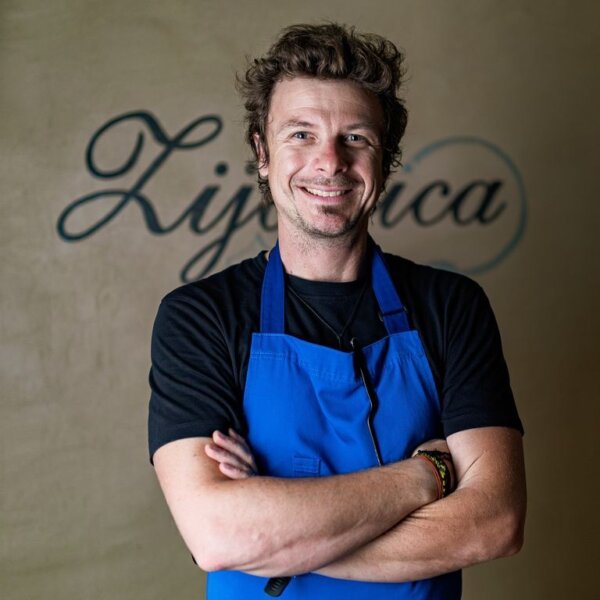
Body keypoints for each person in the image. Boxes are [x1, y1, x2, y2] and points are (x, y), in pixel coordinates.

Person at [149, 23, 526, 599]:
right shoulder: (199, 317)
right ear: (262, 153)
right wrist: (427, 475)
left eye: (356, 137)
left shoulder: (452, 306)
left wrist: (278, 546)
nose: (329, 162)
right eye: (301, 134)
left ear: (385, 159)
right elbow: (218, 536)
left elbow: (494, 523)